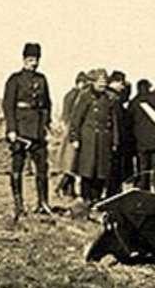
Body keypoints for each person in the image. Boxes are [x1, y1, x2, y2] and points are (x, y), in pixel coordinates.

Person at [3, 42, 52, 221]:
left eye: (36, 60)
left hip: (37, 129)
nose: (34, 63)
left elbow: (47, 104)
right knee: (17, 167)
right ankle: (19, 204)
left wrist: (46, 126)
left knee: (42, 168)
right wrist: (12, 130)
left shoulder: (42, 79)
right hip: (21, 129)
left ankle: (43, 203)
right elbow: (8, 106)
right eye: (31, 59)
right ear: (24, 59)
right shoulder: (15, 79)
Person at [71, 69, 120, 202]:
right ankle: (86, 198)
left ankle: (96, 198)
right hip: (89, 140)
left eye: (104, 83)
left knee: (101, 172)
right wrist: (75, 138)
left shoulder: (110, 98)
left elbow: (114, 122)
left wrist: (115, 141)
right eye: (100, 83)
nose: (102, 86)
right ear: (93, 82)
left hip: (104, 140)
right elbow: (76, 119)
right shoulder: (85, 97)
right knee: (87, 170)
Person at [53, 72, 89, 198]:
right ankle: (60, 187)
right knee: (72, 163)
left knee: (72, 163)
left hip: (70, 130)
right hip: (72, 131)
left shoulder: (71, 95)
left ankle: (69, 190)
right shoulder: (76, 96)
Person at [106, 71, 134, 197]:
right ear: (116, 82)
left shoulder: (107, 97)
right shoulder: (114, 99)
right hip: (114, 142)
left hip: (109, 141)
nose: (123, 87)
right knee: (114, 173)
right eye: (121, 83)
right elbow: (117, 123)